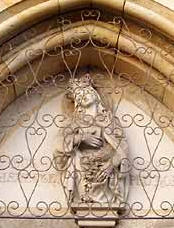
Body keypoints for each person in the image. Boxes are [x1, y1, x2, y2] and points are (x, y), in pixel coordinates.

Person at [54, 74, 129, 207]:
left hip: (105, 168)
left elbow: (121, 146)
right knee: (75, 156)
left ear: (95, 95)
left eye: (87, 91)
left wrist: (111, 163)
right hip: (82, 166)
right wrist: (81, 138)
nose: (83, 95)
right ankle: (83, 195)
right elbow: (59, 143)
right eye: (79, 94)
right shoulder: (74, 122)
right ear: (77, 102)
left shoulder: (109, 120)